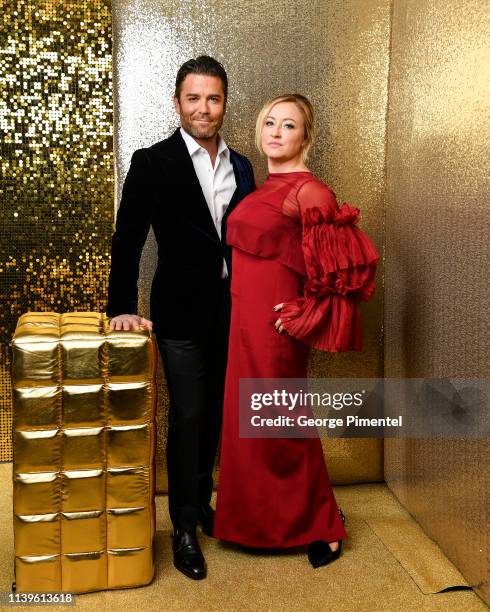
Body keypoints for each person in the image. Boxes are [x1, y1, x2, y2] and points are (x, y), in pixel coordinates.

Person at [213, 94, 379, 567]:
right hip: (244, 324)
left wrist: (306, 311)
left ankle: (323, 526)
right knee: (251, 425)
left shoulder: (311, 191)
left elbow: (346, 270)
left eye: (289, 125)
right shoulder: (263, 187)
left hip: (275, 330)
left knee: (282, 425)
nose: (276, 132)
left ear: (306, 137)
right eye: (270, 122)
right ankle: (258, 523)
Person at [106, 56, 255, 580]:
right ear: (177, 103)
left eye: (213, 98)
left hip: (232, 314)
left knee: (214, 416)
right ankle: (185, 528)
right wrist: (122, 306)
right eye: (193, 98)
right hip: (178, 315)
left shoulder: (242, 167)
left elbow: (250, 243)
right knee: (188, 415)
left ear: (224, 104)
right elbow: (128, 240)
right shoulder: (152, 162)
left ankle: (203, 503)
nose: (203, 108)